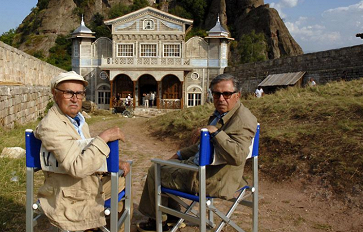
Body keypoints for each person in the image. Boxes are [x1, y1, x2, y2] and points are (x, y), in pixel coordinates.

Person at [136, 73, 257, 232]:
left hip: (212, 178)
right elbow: (202, 146)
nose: (221, 98)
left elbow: (238, 156)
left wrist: (214, 132)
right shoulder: (223, 114)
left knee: (155, 171)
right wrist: (179, 154)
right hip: (204, 169)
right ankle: (172, 217)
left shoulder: (242, 121)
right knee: (165, 166)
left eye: (226, 94)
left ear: (237, 95)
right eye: (216, 93)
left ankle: (158, 221)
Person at [34, 71, 130, 232]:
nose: (75, 98)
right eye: (68, 93)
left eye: (79, 93)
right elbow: (77, 167)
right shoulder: (51, 125)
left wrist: (110, 161)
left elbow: (84, 151)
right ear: (54, 94)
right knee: (121, 185)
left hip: (86, 182)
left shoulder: (78, 121)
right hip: (69, 193)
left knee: (123, 179)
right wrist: (104, 137)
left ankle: (109, 226)